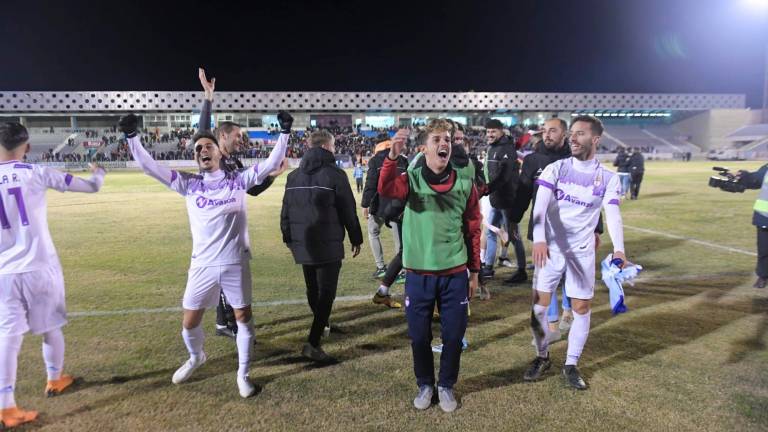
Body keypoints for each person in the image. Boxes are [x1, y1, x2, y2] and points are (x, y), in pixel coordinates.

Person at [120, 110, 288, 398]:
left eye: (208, 146)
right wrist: (132, 137)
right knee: (190, 322)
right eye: (198, 148)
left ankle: (243, 375)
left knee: (243, 317)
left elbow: (273, 162)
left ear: (219, 153)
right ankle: (196, 357)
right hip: (202, 266)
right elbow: (150, 167)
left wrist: (284, 132)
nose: (202, 150)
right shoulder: (188, 184)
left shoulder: (238, 181)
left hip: (235, 262)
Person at [0, 122, 106, 428]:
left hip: (4, 273)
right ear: (28, 147)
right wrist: (99, 171)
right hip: (40, 267)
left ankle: (6, 406)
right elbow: (92, 186)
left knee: (8, 336)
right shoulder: (37, 172)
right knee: (51, 327)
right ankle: (54, 378)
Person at [378, 120, 481, 413]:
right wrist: (392, 157)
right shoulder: (411, 179)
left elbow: (473, 227)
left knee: (452, 336)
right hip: (419, 274)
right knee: (419, 336)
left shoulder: (464, 181)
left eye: (447, 139)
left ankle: (446, 385)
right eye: (436, 139)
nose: (443, 144)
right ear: (424, 148)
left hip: (453, 274)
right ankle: (425, 383)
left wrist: (474, 271)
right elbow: (386, 188)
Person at [523, 115, 626, 390]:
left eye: (580, 134)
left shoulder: (608, 178)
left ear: (595, 139)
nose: (573, 138)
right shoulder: (555, 169)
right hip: (550, 250)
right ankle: (542, 356)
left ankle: (571, 364)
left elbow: (613, 214)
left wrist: (619, 250)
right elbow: (540, 207)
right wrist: (540, 239)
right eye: (573, 133)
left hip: (581, 253)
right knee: (540, 306)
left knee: (581, 307)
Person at [198, 68, 288, 340]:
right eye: (237, 136)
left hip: (233, 226)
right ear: (222, 137)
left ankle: (226, 321)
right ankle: (225, 323)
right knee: (224, 274)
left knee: (230, 275)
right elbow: (203, 130)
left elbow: (254, 190)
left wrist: (272, 175)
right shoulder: (211, 155)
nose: (241, 140)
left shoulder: (235, 164)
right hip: (214, 226)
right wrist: (208, 97)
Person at [281, 130, 363, 363]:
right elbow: (348, 209)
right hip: (327, 243)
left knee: (313, 289)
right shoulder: (335, 174)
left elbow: (285, 210)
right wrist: (356, 238)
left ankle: (322, 322)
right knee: (326, 293)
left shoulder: (294, 176)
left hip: (303, 242)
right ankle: (313, 342)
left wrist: (288, 238)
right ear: (328, 147)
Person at [481, 119, 525, 284]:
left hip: (508, 201)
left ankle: (521, 271)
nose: (490, 134)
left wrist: (487, 189)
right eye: (488, 132)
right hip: (495, 200)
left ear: (501, 131)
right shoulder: (492, 148)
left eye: (493, 131)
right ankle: (489, 267)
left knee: (514, 236)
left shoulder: (507, 149)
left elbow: (504, 177)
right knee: (490, 232)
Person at [361, 137, 406, 280]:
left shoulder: (374, 161)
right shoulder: (403, 160)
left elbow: (371, 184)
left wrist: (365, 204)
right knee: (399, 239)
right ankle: (403, 270)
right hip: (398, 207)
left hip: (379, 206)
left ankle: (381, 267)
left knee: (373, 232)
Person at [737, 164, 768, 288]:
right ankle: (763, 275)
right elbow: (755, 179)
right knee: (764, 249)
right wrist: (743, 176)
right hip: (765, 216)